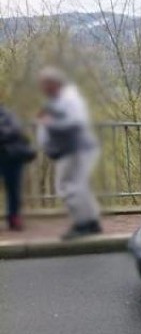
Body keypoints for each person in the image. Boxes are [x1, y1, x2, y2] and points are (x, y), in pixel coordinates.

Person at [36, 67, 102, 240]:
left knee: (68, 186)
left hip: (75, 148)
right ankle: (91, 221)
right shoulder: (58, 100)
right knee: (78, 186)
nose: (43, 89)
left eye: (45, 85)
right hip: (72, 148)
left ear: (53, 84)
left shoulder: (68, 99)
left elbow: (76, 122)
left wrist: (50, 123)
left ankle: (82, 224)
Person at [0, 103, 35, 231]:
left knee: (14, 189)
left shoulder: (7, 113)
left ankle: (14, 218)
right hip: (8, 153)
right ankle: (14, 218)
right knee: (14, 189)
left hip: (10, 155)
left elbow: (16, 131)